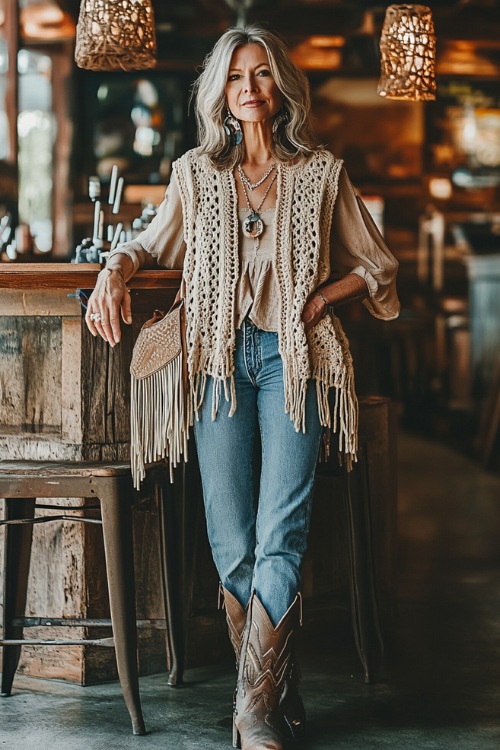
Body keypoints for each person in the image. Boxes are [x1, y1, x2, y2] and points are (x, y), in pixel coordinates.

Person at [85, 24, 400, 750]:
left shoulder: (321, 173)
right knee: (232, 545)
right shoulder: (196, 174)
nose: (250, 88)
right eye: (235, 77)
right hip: (218, 363)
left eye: (260, 75)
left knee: (280, 534)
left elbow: (378, 266)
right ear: (220, 95)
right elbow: (147, 244)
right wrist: (113, 271)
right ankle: (274, 692)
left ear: (280, 87)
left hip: (295, 365)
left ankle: (253, 717)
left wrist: (323, 299)